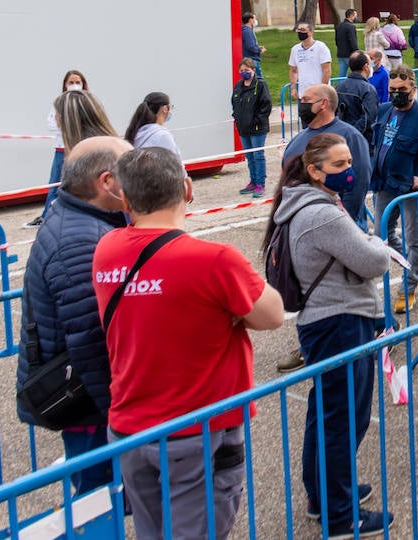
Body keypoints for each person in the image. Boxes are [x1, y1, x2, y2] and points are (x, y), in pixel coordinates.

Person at [93, 147, 285, 540]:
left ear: (126, 200)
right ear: (187, 188)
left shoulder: (106, 249)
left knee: (151, 531)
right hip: (196, 430)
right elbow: (272, 314)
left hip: (130, 428)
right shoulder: (213, 259)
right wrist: (228, 311)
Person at [265, 134, 392, 536]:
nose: (349, 171)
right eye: (338, 165)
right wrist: (379, 245)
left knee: (327, 417)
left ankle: (325, 496)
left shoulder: (303, 203)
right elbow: (373, 260)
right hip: (339, 321)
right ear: (315, 170)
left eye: (349, 162)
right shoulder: (321, 213)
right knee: (341, 420)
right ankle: (340, 514)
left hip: (326, 321)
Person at [17, 136, 132, 495]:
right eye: (130, 169)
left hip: (89, 400)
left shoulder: (83, 218)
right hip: (90, 407)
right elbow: (90, 340)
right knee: (97, 506)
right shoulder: (80, 241)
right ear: (106, 182)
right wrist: (119, 414)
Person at [371, 66, 418, 311]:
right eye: (392, 90)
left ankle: (407, 289)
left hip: (409, 189)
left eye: (401, 90)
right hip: (384, 184)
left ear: (413, 88)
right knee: (382, 235)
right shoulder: (383, 111)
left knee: (413, 239)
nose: (396, 94)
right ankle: (415, 264)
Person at [283, 84, 372, 225]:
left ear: (323, 103)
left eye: (306, 100)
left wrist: (343, 222)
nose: (301, 105)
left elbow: (359, 183)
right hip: (302, 223)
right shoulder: (295, 142)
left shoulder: (350, 136)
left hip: (339, 224)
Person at [34, 70, 90, 227]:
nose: (74, 85)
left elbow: (88, 125)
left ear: (83, 84)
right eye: (71, 82)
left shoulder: (87, 102)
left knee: (81, 184)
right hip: (61, 150)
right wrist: (70, 126)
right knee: (54, 184)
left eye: (77, 82)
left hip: (80, 150)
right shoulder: (59, 102)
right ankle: (46, 217)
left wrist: (64, 124)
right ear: (65, 85)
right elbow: (51, 125)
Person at [231, 58, 272, 196]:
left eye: (247, 70)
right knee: (249, 156)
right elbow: (234, 103)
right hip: (243, 128)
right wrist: (237, 117)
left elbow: (266, 106)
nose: (244, 73)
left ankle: (260, 184)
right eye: (241, 71)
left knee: (258, 155)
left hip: (257, 128)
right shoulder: (238, 86)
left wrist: (256, 120)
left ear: (253, 70)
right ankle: (253, 181)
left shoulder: (260, 85)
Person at [335, 50, 380, 145]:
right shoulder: (368, 89)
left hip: (340, 138)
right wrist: (352, 134)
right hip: (361, 141)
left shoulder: (339, 87)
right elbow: (368, 118)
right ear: (366, 67)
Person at [289, 22, 333, 102]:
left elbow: (327, 70)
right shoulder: (295, 49)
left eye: (303, 30)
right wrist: (293, 88)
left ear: (311, 32)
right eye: (298, 30)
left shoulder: (321, 47)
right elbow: (293, 70)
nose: (300, 32)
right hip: (304, 94)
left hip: (320, 94)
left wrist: (322, 90)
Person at [335, 9, 359, 78]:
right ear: (351, 16)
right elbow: (353, 41)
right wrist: (356, 52)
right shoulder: (351, 27)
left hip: (340, 53)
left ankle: (339, 88)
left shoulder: (339, 25)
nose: (356, 18)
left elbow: (336, 40)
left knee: (341, 75)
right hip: (350, 55)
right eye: (355, 16)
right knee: (355, 74)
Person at [241, 12, 266, 78]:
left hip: (249, 58)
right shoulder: (247, 31)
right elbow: (250, 46)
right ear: (250, 20)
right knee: (258, 79)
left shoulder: (246, 30)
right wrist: (259, 50)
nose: (255, 21)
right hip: (251, 59)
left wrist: (257, 47)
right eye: (254, 18)